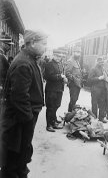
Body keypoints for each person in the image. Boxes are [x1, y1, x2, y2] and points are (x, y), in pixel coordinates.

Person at [0, 30, 47, 178]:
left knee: (20, 156)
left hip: (21, 120)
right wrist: (28, 119)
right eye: (44, 44)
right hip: (19, 122)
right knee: (14, 160)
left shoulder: (28, 60)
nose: (45, 47)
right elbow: (19, 97)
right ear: (32, 43)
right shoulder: (24, 63)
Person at [44, 53, 67, 132]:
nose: (58, 58)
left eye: (60, 56)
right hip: (51, 89)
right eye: (57, 56)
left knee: (57, 105)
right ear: (53, 55)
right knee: (50, 107)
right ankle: (49, 125)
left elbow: (62, 74)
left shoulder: (60, 64)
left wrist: (64, 79)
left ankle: (53, 122)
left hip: (59, 89)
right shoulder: (49, 64)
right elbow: (48, 76)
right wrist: (60, 76)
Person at [87, 56, 108, 123]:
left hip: (103, 89)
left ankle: (101, 118)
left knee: (102, 104)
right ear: (97, 62)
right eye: (100, 62)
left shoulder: (103, 69)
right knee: (94, 104)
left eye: (102, 62)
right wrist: (98, 78)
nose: (101, 63)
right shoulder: (93, 69)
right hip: (95, 89)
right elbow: (89, 80)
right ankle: (94, 118)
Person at [65, 46, 83, 112]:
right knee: (73, 100)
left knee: (75, 100)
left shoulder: (76, 61)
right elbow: (67, 73)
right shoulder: (70, 61)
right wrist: (75, 79)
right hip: (73, 84)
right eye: (77, 52)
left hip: (77, 84)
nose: (78, 54)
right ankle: (69, 114)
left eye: (79, 52)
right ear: (73, 52)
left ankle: (71, 114)